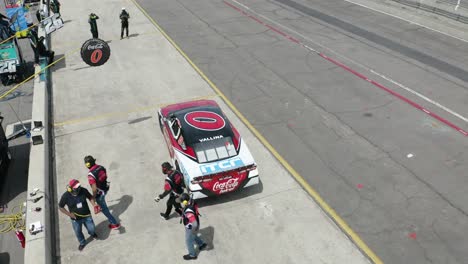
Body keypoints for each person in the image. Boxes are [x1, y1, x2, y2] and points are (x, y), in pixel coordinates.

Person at [59, 179, 101, 251]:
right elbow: (60, 207)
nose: (79, 188)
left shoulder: (83, 190)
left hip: (87, 215)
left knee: (92, 229)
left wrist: (94, 205)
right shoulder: (66, 196)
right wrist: (70, 214)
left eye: (79, 186)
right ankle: (82, 242)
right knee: (78, 232)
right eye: (77, 187)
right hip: (76, 219)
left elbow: (90, 197)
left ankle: (92, 233)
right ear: (71, 188)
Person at [85, 155, 121, 230]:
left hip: (99, 194)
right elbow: (105, 176)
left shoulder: (90, 175)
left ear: (87, 164)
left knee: (105, 209)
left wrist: (93, 197)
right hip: (105, 189)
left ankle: (114, 224)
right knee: (103, 205)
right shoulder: (101, 167)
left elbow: (94, 189)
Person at [176, 193, 207, 260]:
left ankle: (192, 255)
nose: (181, 203)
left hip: (191, 227)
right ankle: (201, 244)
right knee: (194, 235)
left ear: (185, 202)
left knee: (188, 241)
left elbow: (194, 224)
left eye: (181, 202)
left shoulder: (189, 212)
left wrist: (192, 231)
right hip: (196, 223)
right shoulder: (192, 201)